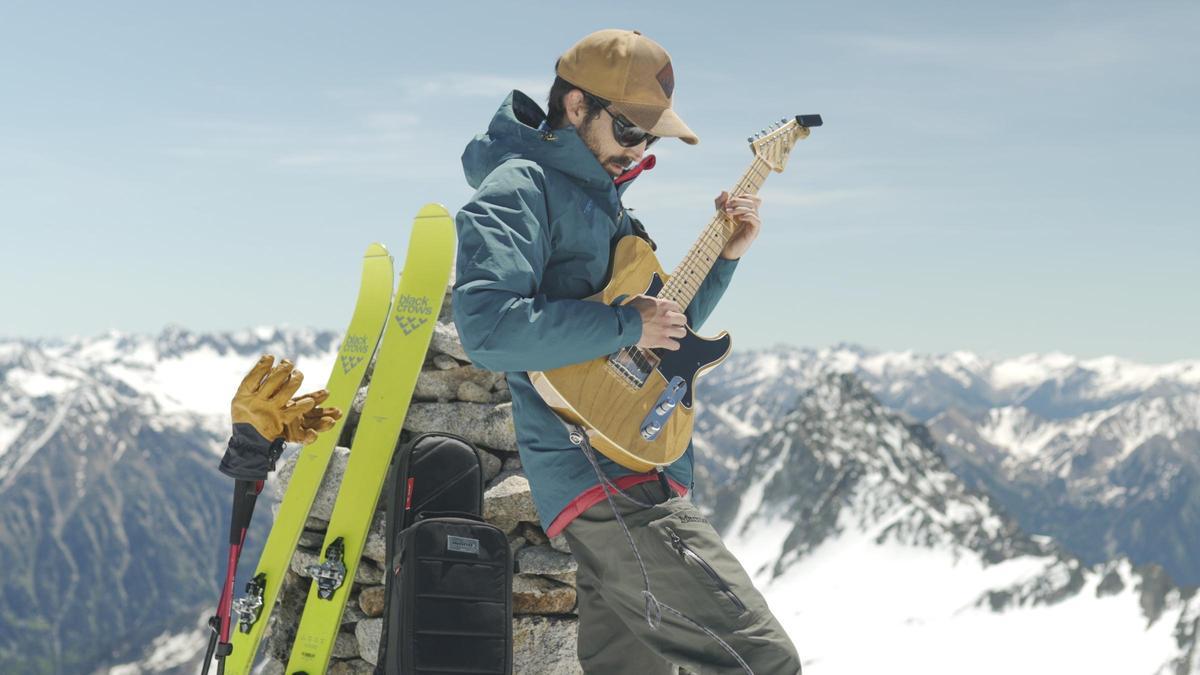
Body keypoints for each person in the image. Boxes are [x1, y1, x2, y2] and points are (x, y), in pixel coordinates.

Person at [451, 29, 802, 674]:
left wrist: (724, 260)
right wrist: (624, 327)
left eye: (650, 137)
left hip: (634, 462)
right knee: (762, 660)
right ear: (577, 105)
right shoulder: (520, 188)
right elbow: (488, 328)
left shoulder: (607, 210)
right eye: (630, 130)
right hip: (607, 477)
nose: (639, 149)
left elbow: (660, 331)